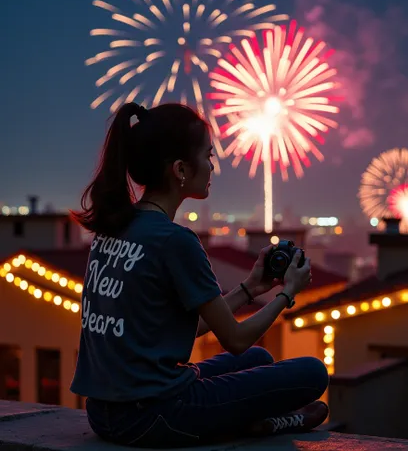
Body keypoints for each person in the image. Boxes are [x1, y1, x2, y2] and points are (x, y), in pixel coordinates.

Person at [70, 102, 329, 448]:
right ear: (179, 169)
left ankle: (255, 421)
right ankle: (267, 422)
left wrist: (250, 288)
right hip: (156, 415)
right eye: (208, 157)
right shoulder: (175, 241)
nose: (211, 167)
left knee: (259, 360)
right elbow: (235, 340)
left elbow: (176, 329)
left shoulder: (114, 228)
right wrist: (286, 293)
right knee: (313, 372)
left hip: (104, 414)